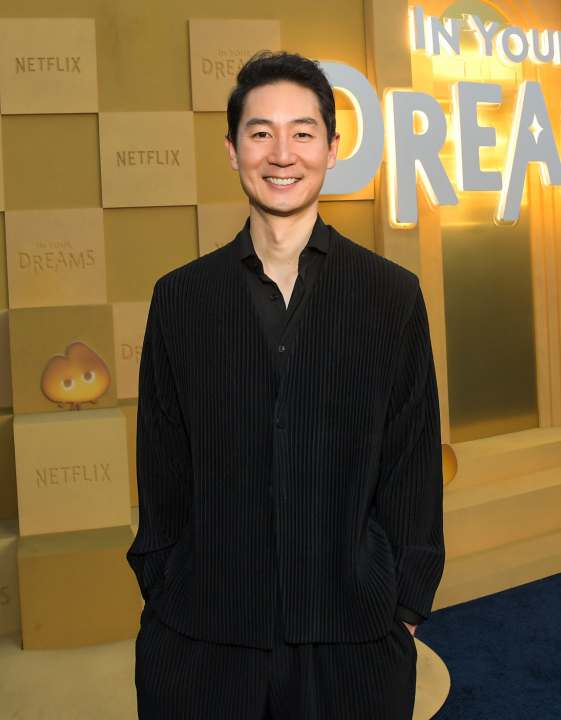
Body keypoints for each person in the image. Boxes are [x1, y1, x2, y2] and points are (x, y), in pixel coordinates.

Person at [128, 50, 444, 720]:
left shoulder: (391, 297)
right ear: (232, 149)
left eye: (302, 133)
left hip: (351, 640)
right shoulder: (181, 300)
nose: (282, 153)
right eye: (260, 132)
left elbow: (413, 460)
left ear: (332, 149)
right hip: (204, 637)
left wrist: (406, 605)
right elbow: (160, 461)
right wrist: (163, 582)